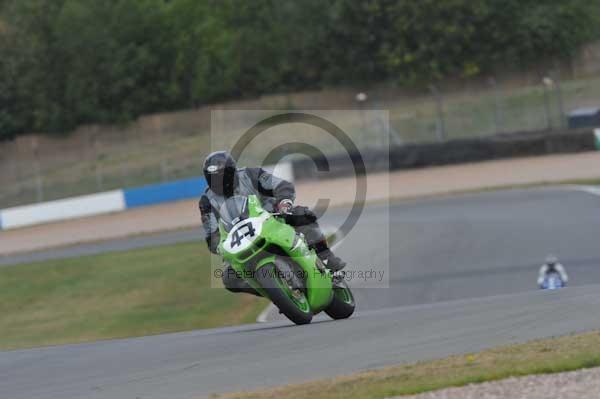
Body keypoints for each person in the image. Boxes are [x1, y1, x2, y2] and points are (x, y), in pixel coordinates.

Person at [199, 151, 346, 296]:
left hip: (273, 219)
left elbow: (281, 185)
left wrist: (284, 202)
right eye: (212, 179)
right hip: (241, 241)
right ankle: (274, 292)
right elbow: (211, 234)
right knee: (229, 279)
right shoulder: (207, 201)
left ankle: (326, 257)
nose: (218, 183)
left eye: (220, 177)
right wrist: (220, 246)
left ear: (231, 172)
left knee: (302, 214)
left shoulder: (251, 175)